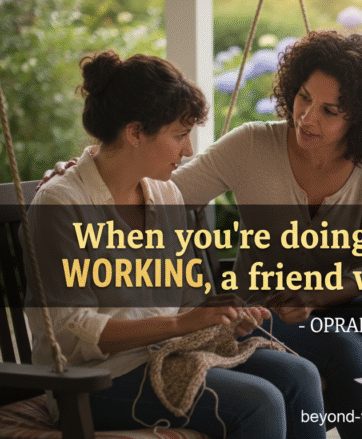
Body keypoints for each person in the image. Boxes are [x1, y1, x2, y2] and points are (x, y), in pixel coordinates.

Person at [41, 31, 362, 438]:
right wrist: (93, 164)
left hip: (317, 302)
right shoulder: (244, 149)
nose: (308, 117)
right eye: (304, 98)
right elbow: (151, 183)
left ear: (361, 118)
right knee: (342, 349)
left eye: (330, 110)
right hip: (252, 310)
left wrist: (309, 298)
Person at [25, 50, 325, 439]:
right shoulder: (62, 203)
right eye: (180, 136)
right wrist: (182, 323)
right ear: (135, 132)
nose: (187, 151)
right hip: (93, 382)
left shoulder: (164, 196)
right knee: (259, 401)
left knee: (299, 374)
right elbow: (70, 331)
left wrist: (224, 316)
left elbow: (187, 298)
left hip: (168, 358)